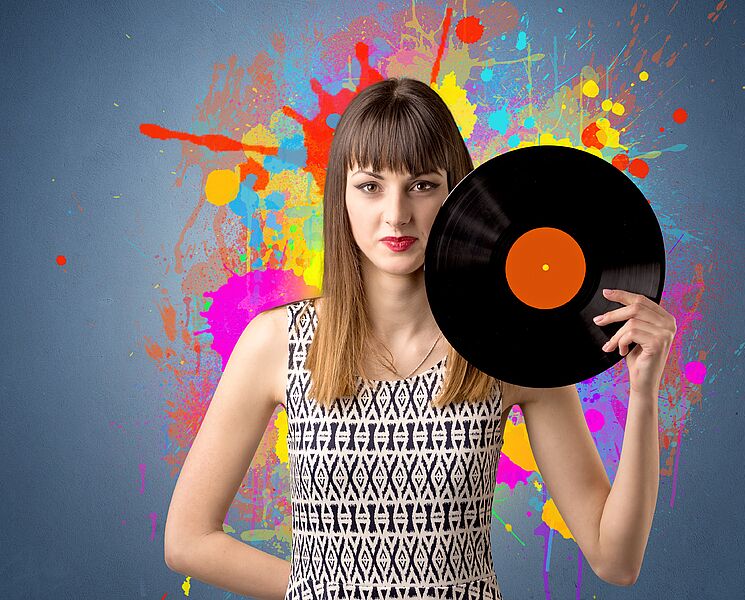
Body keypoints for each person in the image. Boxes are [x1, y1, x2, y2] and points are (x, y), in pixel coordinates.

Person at [163, 76, 677, 600]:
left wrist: (643, 391)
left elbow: (616, 561)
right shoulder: (277, 342)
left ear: (459, 192)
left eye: (423, 184)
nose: (397, 213)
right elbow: (187, 540)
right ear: (340, 196)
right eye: (370, 185)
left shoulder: (514, 345)